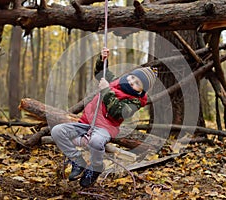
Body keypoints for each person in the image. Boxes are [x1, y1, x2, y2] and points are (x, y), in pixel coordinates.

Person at [51, 48, 157, 187]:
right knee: (57, 131)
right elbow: (101, 73)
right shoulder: (115, 82)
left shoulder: (135, 101)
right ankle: (77, 160)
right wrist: (102, 60)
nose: (132, 82)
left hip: (105, 128)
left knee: (95, 142)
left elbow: (118, 112)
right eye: (132, 77)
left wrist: (106, 90)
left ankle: (95, 168)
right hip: (86, 122)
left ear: (141, 90)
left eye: (137, 83)